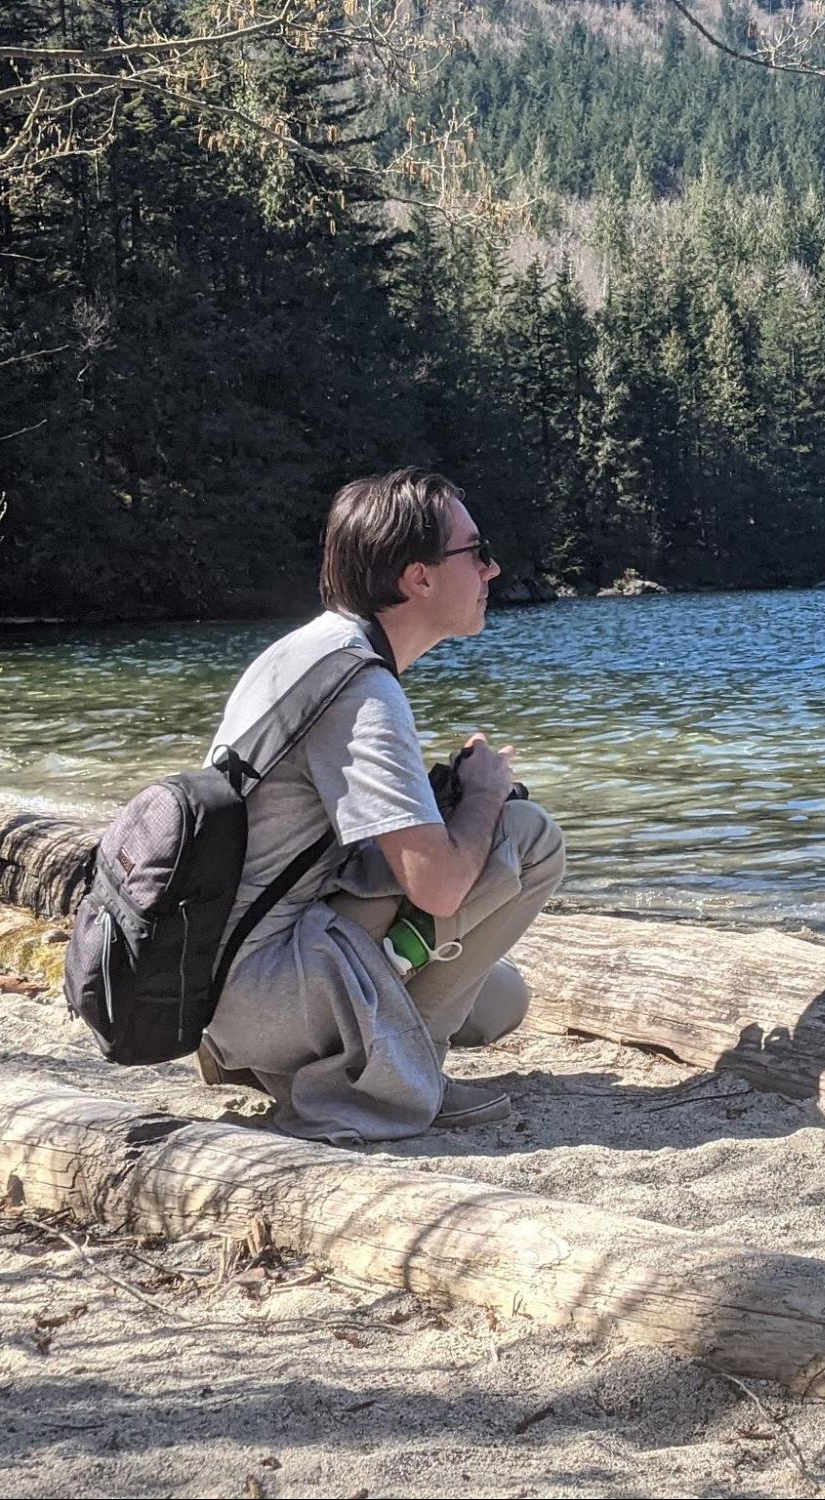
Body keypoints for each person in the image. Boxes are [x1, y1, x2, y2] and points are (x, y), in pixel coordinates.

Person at [193, 468, 565, 1144]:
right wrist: (481, 796)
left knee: (500, 1002)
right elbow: (439, 887)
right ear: (418, 577)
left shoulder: (309, 651)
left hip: (221, 979)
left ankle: (294, 1055)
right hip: (265, 988)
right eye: (474, 552)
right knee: (528, 834)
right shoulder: (360, 691)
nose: (492, 568)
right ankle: (387, 1073)